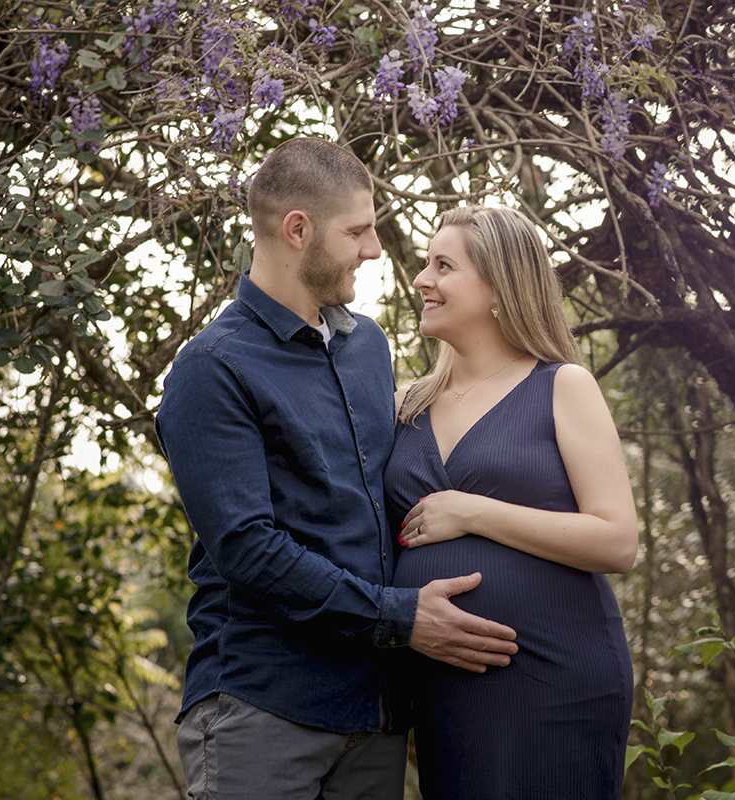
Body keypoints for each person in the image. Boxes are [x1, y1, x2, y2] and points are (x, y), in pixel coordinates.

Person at [155, 138, 519, 800]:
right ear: (299, 230)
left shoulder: (367, 347)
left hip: (375, 714)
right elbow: (246, 547)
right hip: (263, 711)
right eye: (357, 230)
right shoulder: (213, 368)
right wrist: (401, 618)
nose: (375, 250)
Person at [386, 205, 639, 799]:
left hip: (557, 677)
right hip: (444, 680)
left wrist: (473, 511)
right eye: (425, 264)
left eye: (442, 265)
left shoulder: (562, 385)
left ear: (500, 285)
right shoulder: (402, 405)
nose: (422, 280)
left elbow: (617, 540)